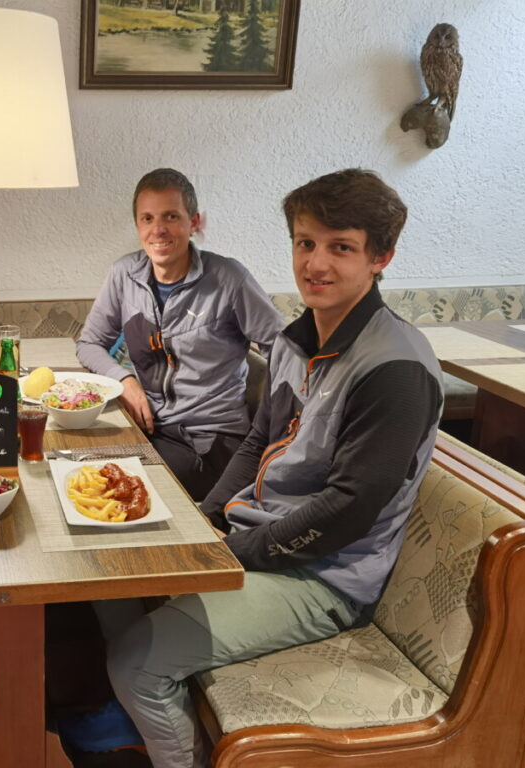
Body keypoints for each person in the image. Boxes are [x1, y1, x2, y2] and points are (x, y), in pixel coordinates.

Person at [102, 169, 444, 768]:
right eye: (305, 243)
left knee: (134, 660)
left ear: (381, 257)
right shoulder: (296, 340)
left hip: (324, 578)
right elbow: (258, 440)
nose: (316, 263)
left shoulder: (395, 369)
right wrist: (203, 520)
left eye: (341, 247)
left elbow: (348, 508)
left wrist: (235, 554)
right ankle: (126, 729)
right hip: (257, 539)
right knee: (104, 585)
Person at [77, 168, 284, 500]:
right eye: (147, 218)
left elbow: (285, 350)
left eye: (171, 216)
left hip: (212, 440)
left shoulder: (229, 279)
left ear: (195, 222)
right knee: (75, 469)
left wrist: (270, 429)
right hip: (151, 429)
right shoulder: (123, 275)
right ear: (137, 226)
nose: (158, 230)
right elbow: (89, 343)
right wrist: (124, 381)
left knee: (113, 492)